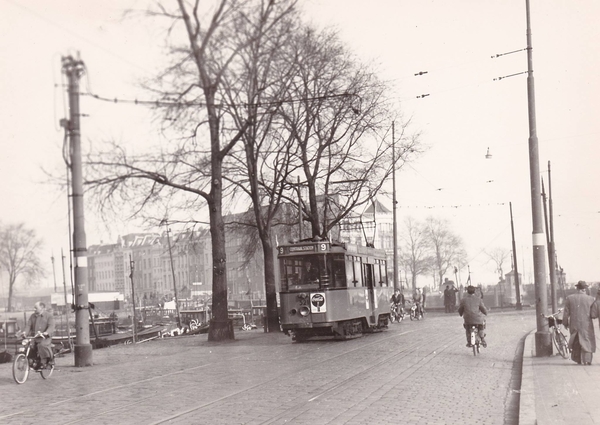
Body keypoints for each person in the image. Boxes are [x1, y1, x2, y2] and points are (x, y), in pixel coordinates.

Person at [563, 280, 596, 365]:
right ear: (585, 289)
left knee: (576, 340)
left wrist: (565, 323)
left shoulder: (569, 298)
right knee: (587, 340)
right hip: (586, 324)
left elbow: (566, 313)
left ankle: (577, 359)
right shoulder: (591, 299)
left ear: (577, 288)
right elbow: (593, 314)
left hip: (574, 323)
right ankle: (587, 360)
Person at [20, 301, 55, 367]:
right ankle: (32, 360)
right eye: (34, 308)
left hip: (45, 337)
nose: (34, 309)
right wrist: (25, 332)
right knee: (28, 345)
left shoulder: (49, 316)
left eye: (36, 308)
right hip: (35, 337)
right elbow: (28, 325)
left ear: (42, 308)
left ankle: (47, 360)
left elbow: (51, 326)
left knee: (42, 345)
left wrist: (46, 332)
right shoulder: (32, 316)